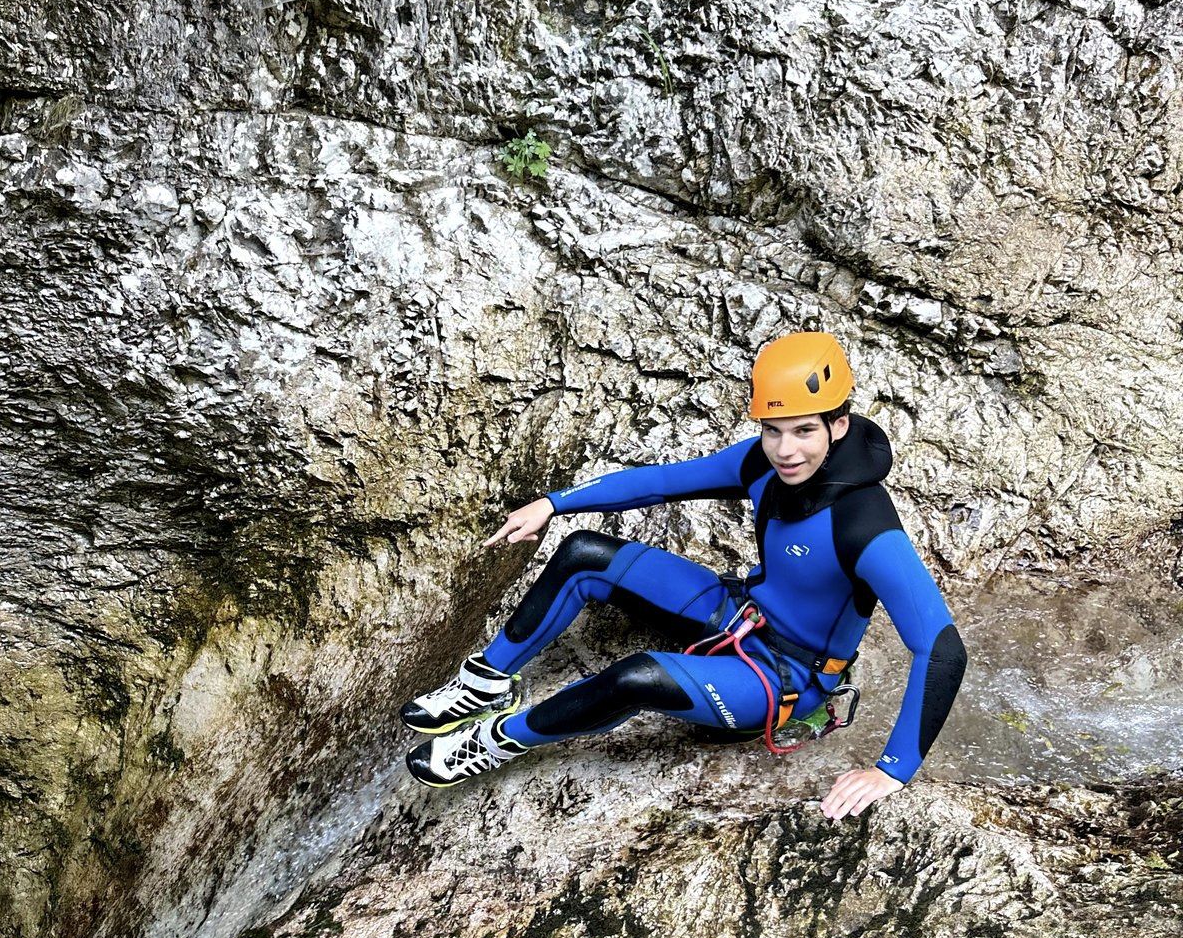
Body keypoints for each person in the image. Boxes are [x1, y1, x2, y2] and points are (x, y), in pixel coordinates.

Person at [401, 332, 966, 822]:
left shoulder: (865, 525)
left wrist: (891, 770)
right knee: (583, 554)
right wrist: (554, 503)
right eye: (772, 431)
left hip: (786, 678)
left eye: (803, 431)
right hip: (740, 613)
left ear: (838, 425)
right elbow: (662, 482)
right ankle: (484, 682)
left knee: (636, 677)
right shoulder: (761, 463)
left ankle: (497, 741)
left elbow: (941, 648)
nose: (785, 451)